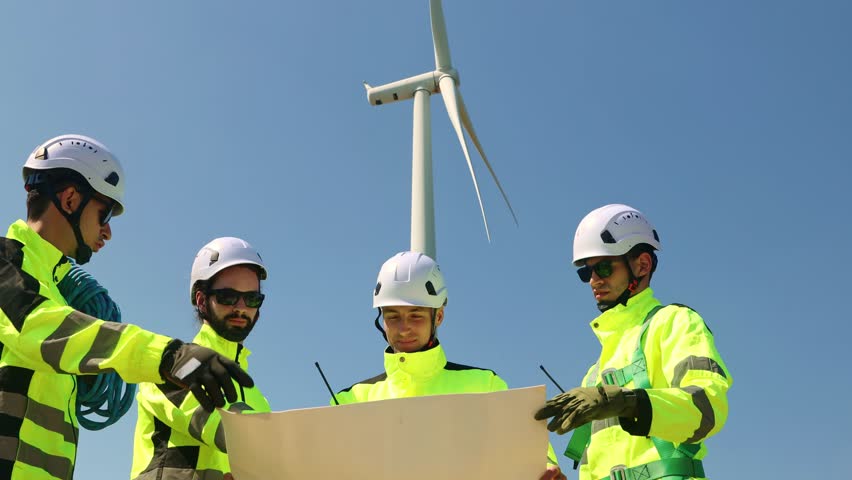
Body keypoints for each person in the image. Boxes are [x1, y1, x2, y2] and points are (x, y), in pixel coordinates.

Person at [0, 134, 253, 480]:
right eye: (104, 214)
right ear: (71, 199)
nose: (107, 232)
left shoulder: (52, 291)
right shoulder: (6, 264)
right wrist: (168, 356)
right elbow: (36, 326)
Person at [534, 204, 732, 480]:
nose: (593, 280)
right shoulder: (594, 375)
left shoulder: (674, 322)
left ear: (642, 265)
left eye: (603, 267)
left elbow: (706, 409)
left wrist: (629, 402)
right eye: (585, 272)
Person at [335, 251, 565, 480]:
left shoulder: (485, 384)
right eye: (393, 316)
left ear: (439, 316)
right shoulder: (350, 400)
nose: (404, 328)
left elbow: (531, 454)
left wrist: (548, 471)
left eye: (416, 316)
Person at [131, 237, 272, 480]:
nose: (241, 307)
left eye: (252, 299)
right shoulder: (170, 366)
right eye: (228, 296)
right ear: (201, 300)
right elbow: (234, 433)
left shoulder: (257, 398)